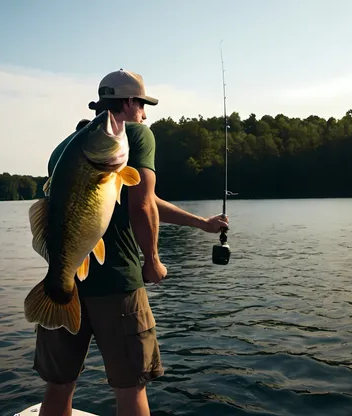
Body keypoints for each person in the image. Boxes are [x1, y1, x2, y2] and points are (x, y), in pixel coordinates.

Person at [33, 69, 229, 416]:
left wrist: (201, 224)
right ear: (127, 102)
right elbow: (141, 204)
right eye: (142, 106)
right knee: (131, 388)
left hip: (65, 284)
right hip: (119, 286)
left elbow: (139, 198)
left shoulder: (64, 149)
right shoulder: (135, 135)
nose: (145, 115)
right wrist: (152, 260)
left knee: (59, 386)